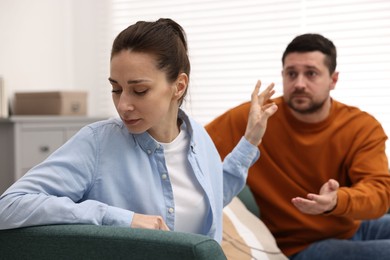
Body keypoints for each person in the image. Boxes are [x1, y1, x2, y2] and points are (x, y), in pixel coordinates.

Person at [0, 18, 278, 243]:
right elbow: (8, 207)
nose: (123, 105)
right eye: (116, 89)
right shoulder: (98, 143)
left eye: (139, 90)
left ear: (178, 86)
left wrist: (250, 140)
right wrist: (123, 220)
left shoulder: (199, 138)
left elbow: (213, 200)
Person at [205, 33, 390, 259]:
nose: (299, 83)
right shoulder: (255, 118)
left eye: (311, 73)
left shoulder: (361, 126)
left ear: (333, 80)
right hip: (300, 247)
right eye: (291, 74)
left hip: (352, 227)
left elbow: (380, 193)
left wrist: (336, 201)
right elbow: (191, 146)